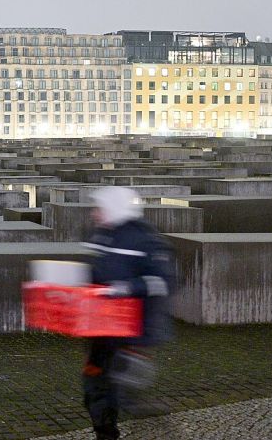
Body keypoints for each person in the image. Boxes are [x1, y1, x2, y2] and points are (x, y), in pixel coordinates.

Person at [80, 186, 174, 440]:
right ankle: (116, 422)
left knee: (106, 389)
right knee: (96, 389)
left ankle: (130, 418)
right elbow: (97, 274)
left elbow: (163, 282)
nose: (94, 214)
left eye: (99, 209)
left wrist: (125, 288)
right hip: (102, 330)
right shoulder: (104, 236)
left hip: (130, 331)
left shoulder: (145, 239)